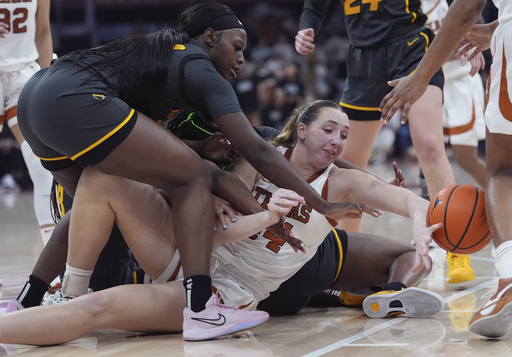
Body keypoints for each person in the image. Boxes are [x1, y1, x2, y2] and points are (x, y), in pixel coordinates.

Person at [14, 2, 363, 341]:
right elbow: (256, 147)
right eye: (236, 46)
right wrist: (322, 205)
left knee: (93, 195)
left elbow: (151, 146)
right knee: (193, 176)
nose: (241, 58)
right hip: (73, 98)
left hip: (34, 99)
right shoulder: (200, 67)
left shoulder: (157, 56)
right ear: (209, 36)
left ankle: (30, 299)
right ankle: (200, 308)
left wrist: (198, 149)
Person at [0, 99, 443, 346]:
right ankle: (69, 288)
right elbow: (217, 233)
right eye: (330, 129)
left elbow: (402, 197)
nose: (338, 140)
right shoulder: (256, 161)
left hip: (225, 293)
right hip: (193, 260)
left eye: (345, 134)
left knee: (100, 311)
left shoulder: (342, 184)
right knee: (102, 177)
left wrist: (423, 221)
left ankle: (60, 306)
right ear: (302, 130)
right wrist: (265, 216)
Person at [294, 0, 474, 283]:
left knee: (428, 145)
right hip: (363, 58)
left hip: (411, 45)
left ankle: (455, 248)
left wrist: (467, 34)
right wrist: (307, 27)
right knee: (348, 167)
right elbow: (314, 7)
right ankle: (348, 262)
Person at [379, 0, 512, 339]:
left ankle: (509, 279)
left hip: (461, 71)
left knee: (502, 170)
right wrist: (490, 30)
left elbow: (467, 5)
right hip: (467, 57)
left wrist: (420, 76)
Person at [422, 0, 488, 285]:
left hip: (461, 81)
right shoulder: (405, 7)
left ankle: (499, 205)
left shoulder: (451, 3)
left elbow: (475, 31)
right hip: (432, 83)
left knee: (465, 157)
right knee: (433, 150)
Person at [0, 0, 56, 247]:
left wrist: (44, 80)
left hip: (24, 72)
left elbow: (42, 30)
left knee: (43, 164)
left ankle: (54, 268)